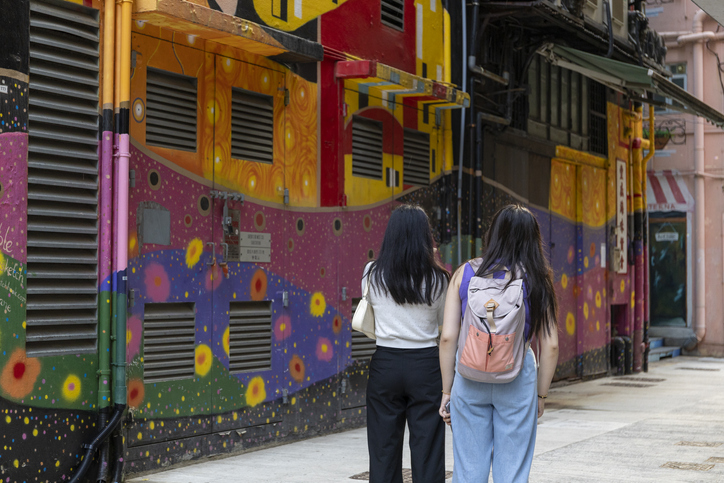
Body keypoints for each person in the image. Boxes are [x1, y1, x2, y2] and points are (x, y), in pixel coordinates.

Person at [438, 204, 559, 483]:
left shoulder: (465, 273)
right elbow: (550, 345)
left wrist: (447, 390)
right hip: (517, 380)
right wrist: (540, 396)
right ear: (533, 238)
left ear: (493, 234)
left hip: (468, 378)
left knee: (469, 470)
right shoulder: (538, 280)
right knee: (512, 472)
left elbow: (447, 337)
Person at [363, 204, 450, 483]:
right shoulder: (439, 278)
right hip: (426, 365)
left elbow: (372, 309)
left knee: (383, 448)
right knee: (428, 448)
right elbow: (441, 322)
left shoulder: (371, 273)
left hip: (385, 364)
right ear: (425, 237)